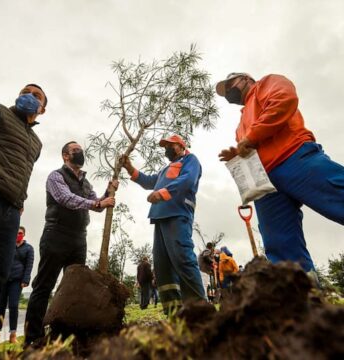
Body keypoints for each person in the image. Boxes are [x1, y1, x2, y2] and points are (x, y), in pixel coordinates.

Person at [216, 72, 344, 275]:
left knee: (338, 195)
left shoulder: (266, 83)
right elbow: (250, 145)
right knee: (280, 246)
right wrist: (238, 154)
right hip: (266, 183)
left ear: (246, 79)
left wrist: (251, 137)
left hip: (295, 158)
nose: (228, 92)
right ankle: (303, 297)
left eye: (230, 85)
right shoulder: (240, 126)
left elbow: (284, 100)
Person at [24, 141, 116, 346]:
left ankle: (64, 334)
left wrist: (108, 193)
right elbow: (66, 199)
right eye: (76, 150)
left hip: (78, 238)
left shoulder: (85, 182)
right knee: (44, 286)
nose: (80, 153)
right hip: (56, 234)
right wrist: (98, 202)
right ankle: (33, 338)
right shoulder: (55, 177)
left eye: (80, 150)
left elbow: (98, 205)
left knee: (74, 287)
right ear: (65, 155)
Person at [0, 84, 47, 338]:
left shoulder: (37, 143)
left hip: (12, 208)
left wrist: (22, 201)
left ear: (43, 109)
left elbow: (24, 171)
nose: (29, 97)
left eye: (36, 96)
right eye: (25, 92)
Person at [120, 134, 206, 314]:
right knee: (162, 265)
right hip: (160, 217)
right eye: (165, 145)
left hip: (178, 213)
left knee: (182, 258)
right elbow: (149, 181)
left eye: (170, 145)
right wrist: (129, 168)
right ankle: (173, 311)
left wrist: (163, 193)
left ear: (181, 146)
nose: (166, 148)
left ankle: (199, 307)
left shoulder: (190, 160)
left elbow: (188, 181)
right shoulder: (165, 169)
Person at [0, 226, 34, 345]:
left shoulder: (28, 248)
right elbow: (0, 260)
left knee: (13, 306)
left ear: (24, 234)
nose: (18, 235)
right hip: (3, 280)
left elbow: (29, 265)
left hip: (17, 281)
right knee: (0, 307)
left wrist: (25, 280)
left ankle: (13, 335)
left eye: (20, 233)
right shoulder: (8, 245)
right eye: (16, 233)